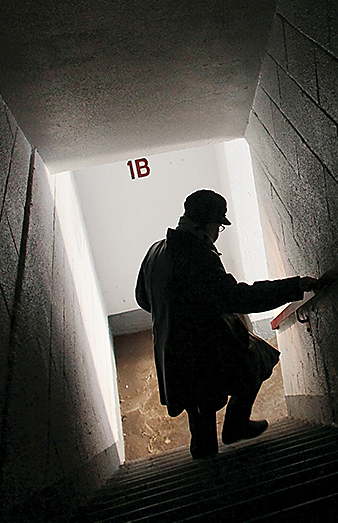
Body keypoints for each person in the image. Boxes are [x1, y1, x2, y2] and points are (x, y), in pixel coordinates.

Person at [135, 189, 317, 459]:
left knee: (200, 415)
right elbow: (237, 298)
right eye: (220, 225)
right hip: (202, 350)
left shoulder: (156, 250)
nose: (219, 232)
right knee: (259, 358)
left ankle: (209, 472)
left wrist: (173, 310)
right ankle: (236, 424)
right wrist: (294, 286)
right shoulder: (197, 255)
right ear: (208, 224)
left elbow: (143, 298)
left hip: (171, 352)